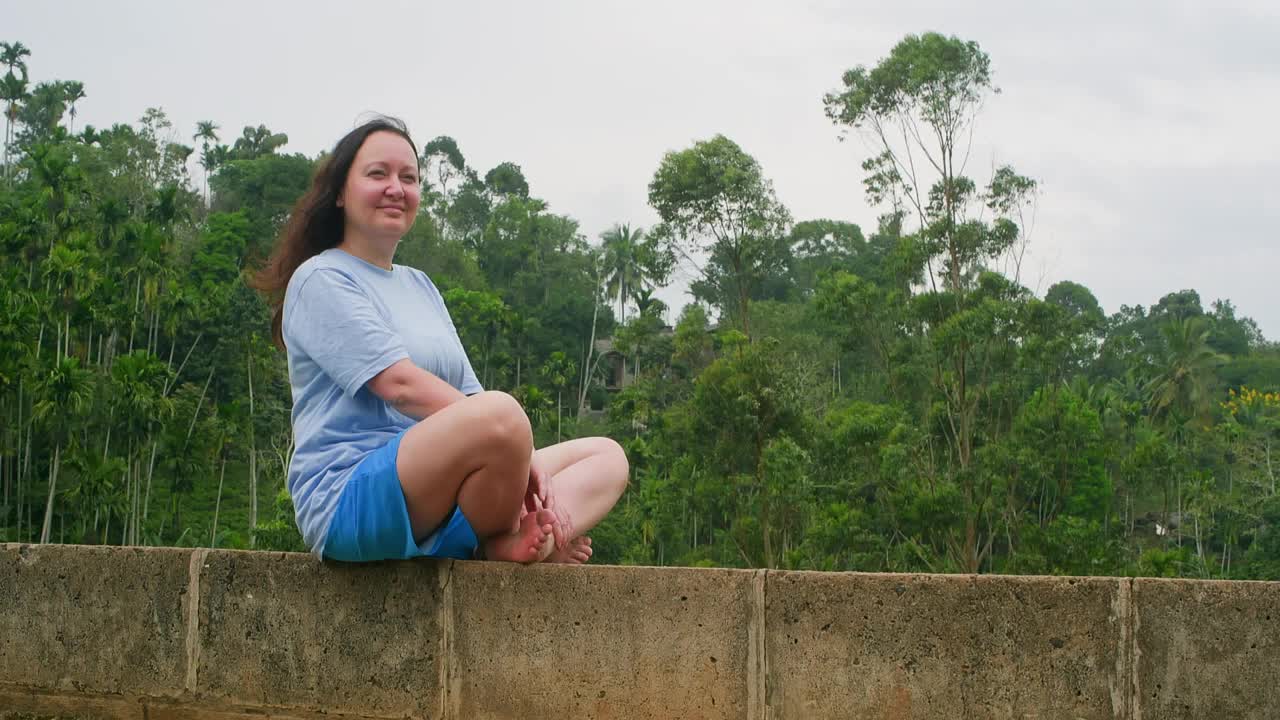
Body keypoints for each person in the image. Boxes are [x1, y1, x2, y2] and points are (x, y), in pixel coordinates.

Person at [253, 116, 628, 564]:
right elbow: (400, 385)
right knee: (504, 417)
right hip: (353, 500)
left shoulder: (420, 286)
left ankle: (533, 538)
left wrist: (516, 459)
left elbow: (472, 397)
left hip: (447, 502)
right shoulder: (321, 277)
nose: (396, 187)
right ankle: (514, 537)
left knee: (607, 456)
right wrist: (519, 450)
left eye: (408, 178)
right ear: (339, 192)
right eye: (378, 174)